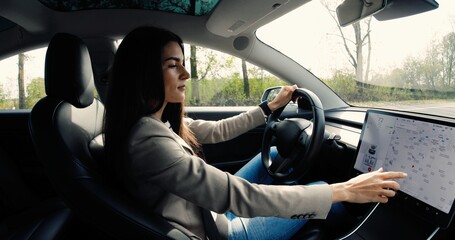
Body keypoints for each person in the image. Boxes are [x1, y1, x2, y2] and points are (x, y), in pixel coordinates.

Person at [103, 26, 407, 240]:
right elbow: (240, 197)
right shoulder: (147, 140)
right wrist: (345, 190)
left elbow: (219, 130)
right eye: (173, 65)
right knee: (325, 192)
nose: (186, 74)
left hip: (207, 211)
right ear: (143, 72)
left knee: (274, 156)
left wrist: (269, 108)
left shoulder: (155, 123)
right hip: (218, 231)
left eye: (183, 64)